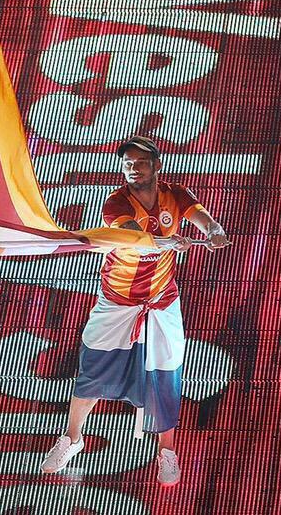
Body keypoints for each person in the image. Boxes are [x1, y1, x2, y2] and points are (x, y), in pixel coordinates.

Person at [39, 135, 230, 486]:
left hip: (161, 302)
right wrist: (168, 242)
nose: (132, 168)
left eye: (140, 162)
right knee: (94, 368)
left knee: (165, 373)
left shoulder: (177, 195)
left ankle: (167, 451)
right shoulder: (116, 203)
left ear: (157, 166)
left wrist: (215, 232)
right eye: (127, 163)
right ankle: (73, 438)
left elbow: (206, 221)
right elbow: (134, 239)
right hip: (118, 300)